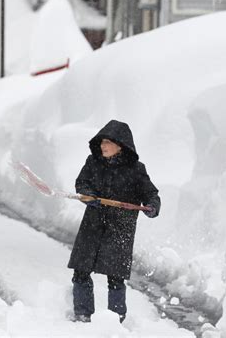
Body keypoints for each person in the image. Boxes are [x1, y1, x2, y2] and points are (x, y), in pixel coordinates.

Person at [68, 120, 161, 323]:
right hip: (93, 224)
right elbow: (81, 182)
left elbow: (150, 193)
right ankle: (83, 314)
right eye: (102, 142)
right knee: (81, 270)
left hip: (120, 229)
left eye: (108, 142)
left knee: (115, 277)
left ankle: (115, 319)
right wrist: (89, 195)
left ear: (121, 144)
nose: (103, 146)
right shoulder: (93, 162)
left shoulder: (136, 169)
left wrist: (152, 206)